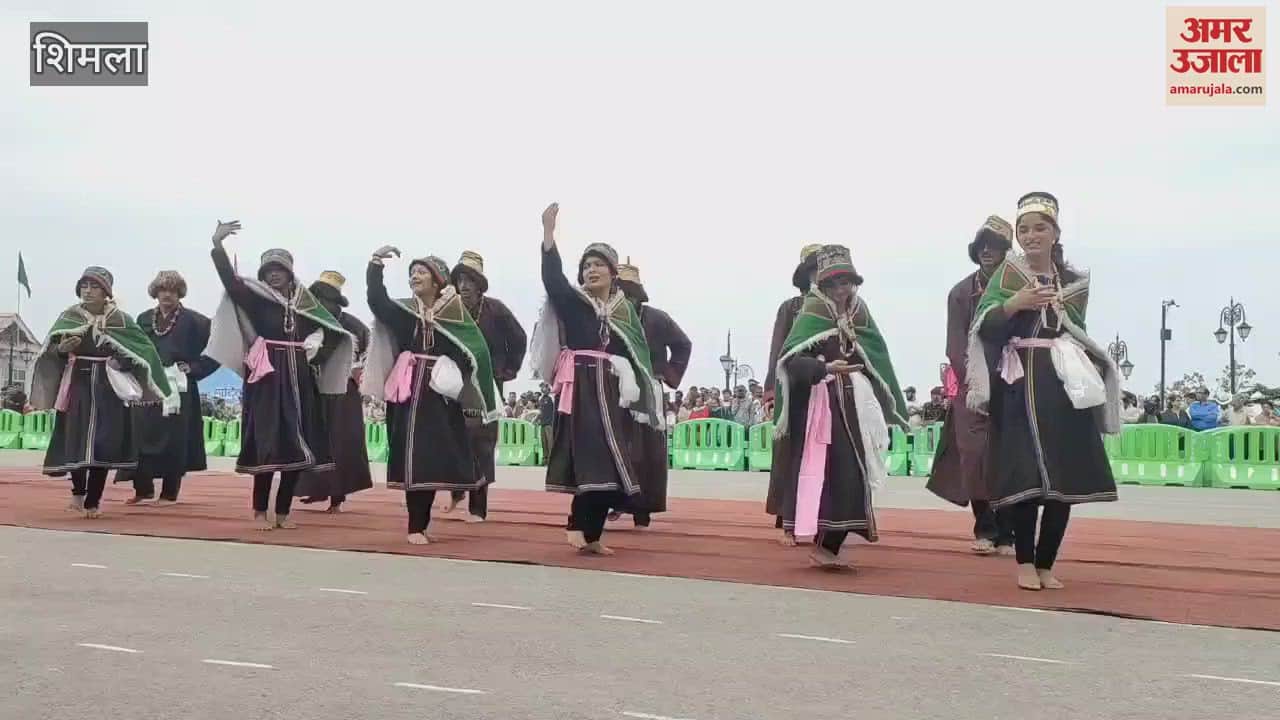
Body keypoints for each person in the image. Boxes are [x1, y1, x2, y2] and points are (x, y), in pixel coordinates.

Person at [966, 192, 1120, 591]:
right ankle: (1024, 562)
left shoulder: (1073, 281)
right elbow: (985, 329)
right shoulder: (1007, 276)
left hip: (1063, 385)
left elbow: (1078, 332)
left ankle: (1047, 563)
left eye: (1040, 227)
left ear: (1055, 232)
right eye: (1024, 229)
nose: (1031, 235)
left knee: (1063, 479)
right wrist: (1015, 304)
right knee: (1027, 478)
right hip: (1020, 386)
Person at [528, 203, 662, 555]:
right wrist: (548, 235)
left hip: (613, 392)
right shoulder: (575, 303)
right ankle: (578, 524)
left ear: (613, 272)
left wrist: (643, 393)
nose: (591, 271)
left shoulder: (624, 310)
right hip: (581, 389)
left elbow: (638, 352)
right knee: (588, 459)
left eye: (598, 265)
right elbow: (553, 280)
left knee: (614, 461)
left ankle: (593, 535)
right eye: (586, 266)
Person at [204, 221, 354, 530]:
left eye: (280, 269)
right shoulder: (257, 297)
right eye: (269, 269)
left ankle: (283, 513)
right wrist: (218, 247)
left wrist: (317, 353)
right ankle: (260, 511)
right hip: (267, 377)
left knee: (297, 444)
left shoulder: (305, 303)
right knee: (267, 441)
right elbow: (231, 283)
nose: (274, 274)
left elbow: (335, 332)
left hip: (299, 375)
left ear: (290, 272)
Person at [774, 245, 909, 568]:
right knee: (831, 473)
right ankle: (823, 543)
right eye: (833, 283)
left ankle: (830, 546)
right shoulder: (812, 312)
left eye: (845, 282)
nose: (840, 289)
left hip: (857, 406)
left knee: (856, 472)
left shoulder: (860, 312)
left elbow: (877, 355)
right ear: (822, 285)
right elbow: (791, 362)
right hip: (822, 407)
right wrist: (824, 369)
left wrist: (886, 397)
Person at [362, 247, 499, 544]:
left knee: (436, 455)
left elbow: (475, 351)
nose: (415, 277)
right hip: (408, 393)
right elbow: (377, 301)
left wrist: (456, 370)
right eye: (412, 273)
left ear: (437, 281)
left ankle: (452, 501)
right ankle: (416, 526)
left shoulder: (455, 316)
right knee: (413, 456)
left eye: (422, 272)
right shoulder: (405, 312)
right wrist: (375, 266)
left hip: (440, 397)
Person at [28, 266, 171, 518]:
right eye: (84, 286)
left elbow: (143, 352)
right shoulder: (69, 317)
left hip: (109, 390)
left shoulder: (122, 320)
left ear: (106, 292)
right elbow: (50, 354)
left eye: (94, 286)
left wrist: (121, 360)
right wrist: (62, 349)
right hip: (77, 385)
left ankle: (93, 501)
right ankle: (77, 493)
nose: (88, 291)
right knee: (77, 439)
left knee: (103, 444)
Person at [927, 215, 1016, 555]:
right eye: (982, 246)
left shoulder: (1019, 286)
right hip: (973, 386)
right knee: (974, 457)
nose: (987, 251)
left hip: (1013, 381)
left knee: (1010, 459)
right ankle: (985, 528)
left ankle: (1009, 532)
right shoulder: (962, 292)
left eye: (994, 245)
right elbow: (955, 344)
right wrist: (974, 383)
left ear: (1006, 251)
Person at [118, 271, 219, 505]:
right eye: (163, 290)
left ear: (179, 293)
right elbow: (132, 348)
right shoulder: (143, 319)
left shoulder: (196, 321)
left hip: (179, 388)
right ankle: (143, 489)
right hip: (148, 385)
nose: (167, 295)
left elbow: (217, 349)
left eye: (172, 291)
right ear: (156, 292)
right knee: (140, 435)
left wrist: (194, 368)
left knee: (175, 438)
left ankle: (169, 492)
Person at [445, 251, 528, 523]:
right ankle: (457, 489)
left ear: (480, 285)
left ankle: (477, 507)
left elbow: (519, 338)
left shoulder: (496, 310)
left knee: (481, 443)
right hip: (454, 385)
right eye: (459, 280)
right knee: (454, 439)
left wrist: (508, 370)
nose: (464, 286)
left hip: (488, 387)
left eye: (469, 280)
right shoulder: (450, 311)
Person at [613, 258, 692, 528]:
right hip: (615, 388)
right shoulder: (606, 316)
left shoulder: (657, 318)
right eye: (617, 287)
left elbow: (683, 344)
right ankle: (613, 500)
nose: (621, 293)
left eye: (626, 288)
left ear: (637, 292)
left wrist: (667, 374)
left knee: (647, 451)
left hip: (649, 390)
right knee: (615, 445)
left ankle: (643, 509)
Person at [294, 271, 374, 513]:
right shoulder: (305, 320)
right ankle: (316, 488)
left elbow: (368, 355)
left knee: (341, 442)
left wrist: (356, 372)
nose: (321, 303)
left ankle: (337, 497)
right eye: (317, 297)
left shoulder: (352, 325)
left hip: (342, 393)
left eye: (325, 298)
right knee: (311, 439)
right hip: (313, 389)